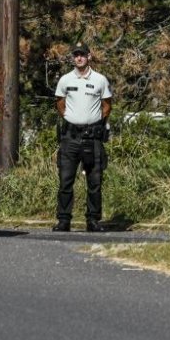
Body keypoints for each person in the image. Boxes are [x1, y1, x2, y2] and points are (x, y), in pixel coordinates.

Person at [53, 42, 113, 233]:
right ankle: (64, 220)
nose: (79, 58)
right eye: (76, 54)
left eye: (82, 54)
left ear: (89, 57)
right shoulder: (65, 80)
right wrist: (73, 120)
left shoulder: (100, 80)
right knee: (65, 180)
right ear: (73, 57)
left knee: (95, 181)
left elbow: (107, 106)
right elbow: (60, 103)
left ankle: (93, 220)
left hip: (92, 138)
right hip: (70, 137)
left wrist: (93, 122)